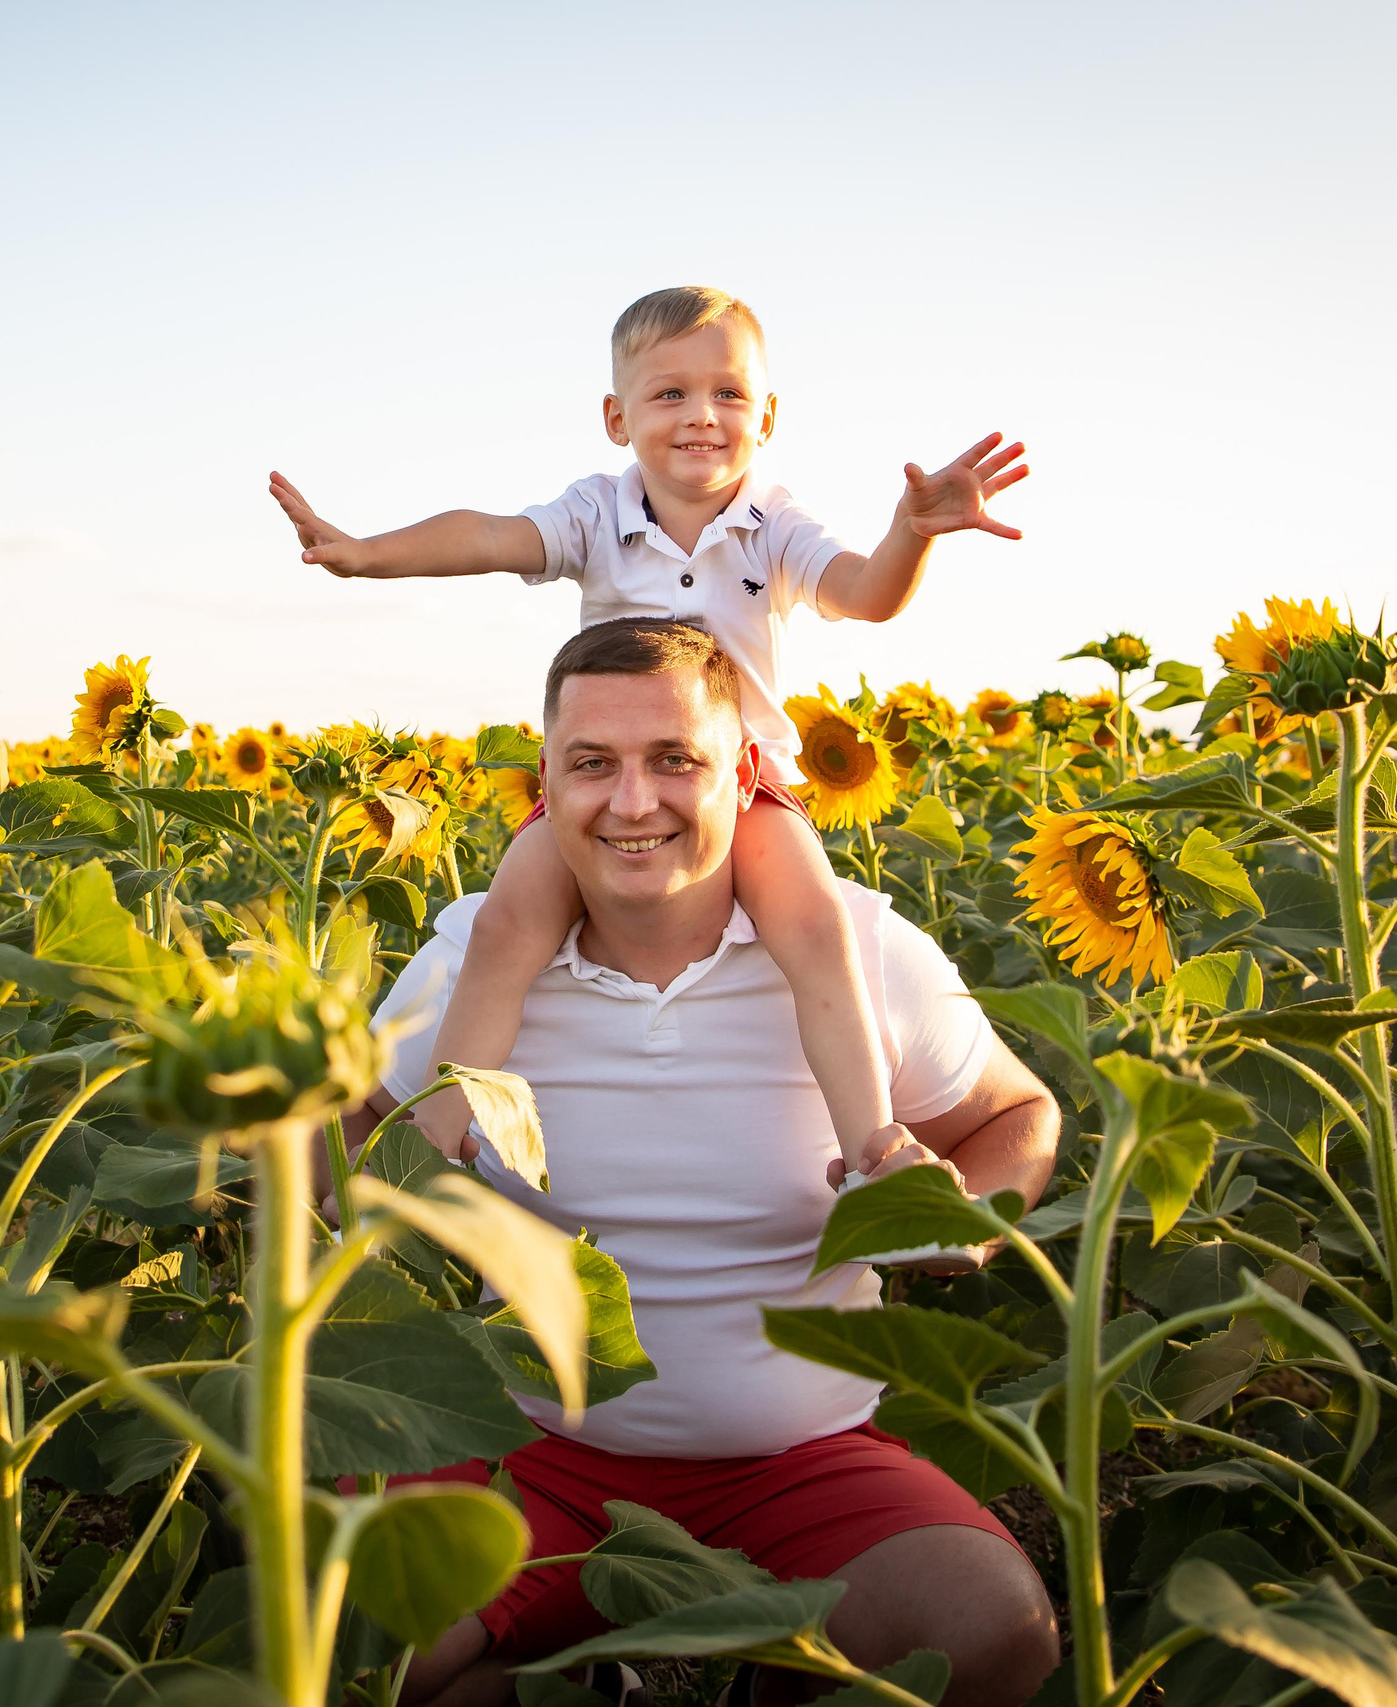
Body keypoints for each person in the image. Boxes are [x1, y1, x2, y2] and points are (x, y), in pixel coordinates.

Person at [342, 619, 1062, 1707]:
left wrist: (960, 1211)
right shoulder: (474, 961)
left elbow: (1017, 1112)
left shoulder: (860, 956)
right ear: (545, 782)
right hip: (522, 1446)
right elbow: (355, 1132)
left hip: (798, 1461)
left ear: (746, 774)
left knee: (988, 1632)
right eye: (593, 765)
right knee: (366, 1656)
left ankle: (770, 1678)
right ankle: (578, 1683)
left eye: (675, 759)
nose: (633, 804)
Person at [273, 285, 1028, 1189]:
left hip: (742, 784)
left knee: (818, 927)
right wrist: (367, 553)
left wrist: (911, 533)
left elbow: (865, 594)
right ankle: (435, 1137)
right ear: (616, 418)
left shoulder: (773, 523)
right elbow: (489, 535)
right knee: (508, 921)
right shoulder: (596, 513)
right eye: (669, 394)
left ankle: (873, 1147)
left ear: (768, 414)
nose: (701, 416)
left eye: (728, 393)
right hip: (609, 780)